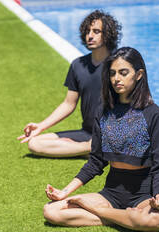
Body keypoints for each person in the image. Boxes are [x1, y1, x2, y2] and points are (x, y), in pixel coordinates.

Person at [43, 47, 159, 232]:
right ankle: (125, 218)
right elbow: (95, 161)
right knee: (52, 211)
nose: (117, 78)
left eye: (123, 72)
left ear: (139, 74)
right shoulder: (103, 112)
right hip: (111, 193)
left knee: (154, 221)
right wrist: (64, 192)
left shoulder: (154, 114)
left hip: (143, 195)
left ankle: (99, 211)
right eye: (112, 73)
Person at [17, 10, 121, 157]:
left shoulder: (119, 64)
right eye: (87, 31)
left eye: (96, 31)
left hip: (114, 133)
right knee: (34, 143)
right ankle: (90, 148)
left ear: (108, 34)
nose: (90, 35)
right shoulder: (78, 65)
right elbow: (68, 104)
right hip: (87, 133)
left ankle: (91, 147)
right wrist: (41, 126)